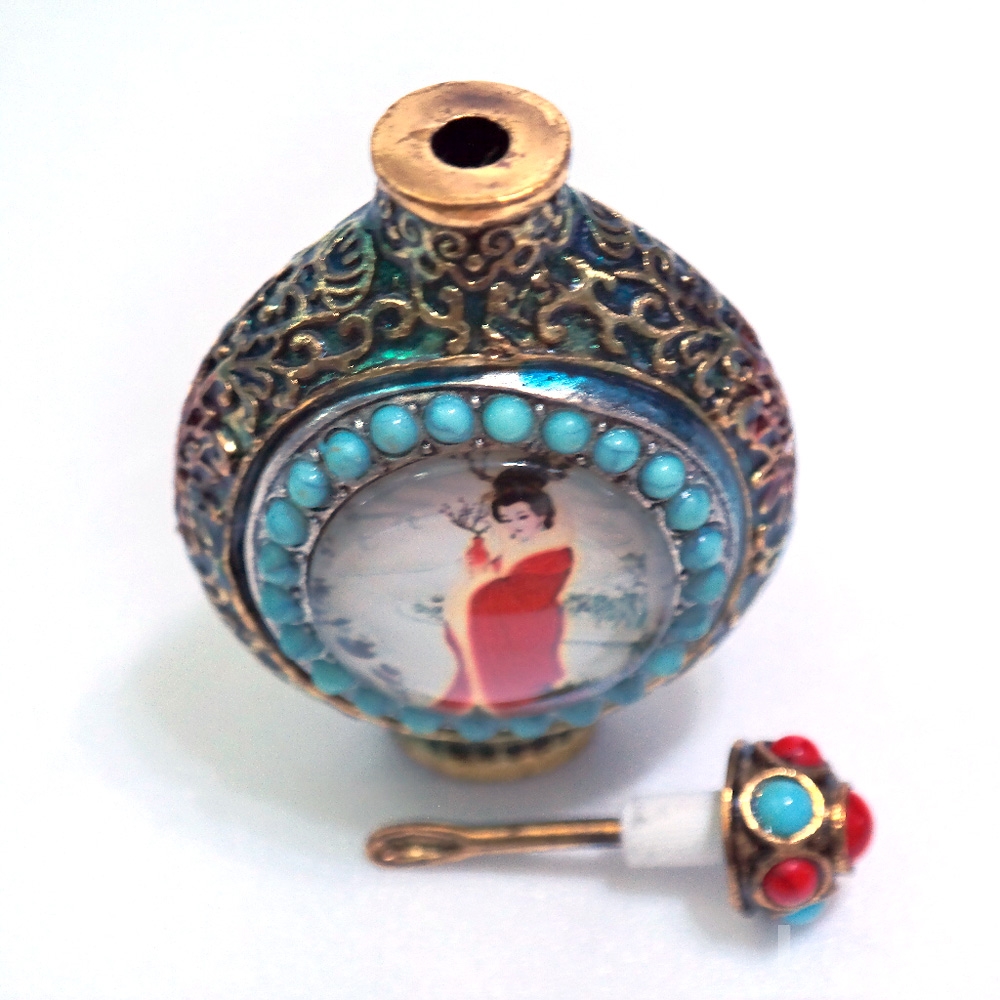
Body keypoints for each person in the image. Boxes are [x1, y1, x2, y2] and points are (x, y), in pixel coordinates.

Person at [436, 467, 574, 713]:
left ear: (541, 515)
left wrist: (484, 580)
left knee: (520, 677)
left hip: (530, 622)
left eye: (522, 517)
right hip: (512, 620)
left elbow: (526, 592)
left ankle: (519, 707)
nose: (514, 525)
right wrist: (482, 563)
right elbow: (498, 575)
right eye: (506, 519)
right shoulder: (517, 548)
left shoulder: (555, 551)